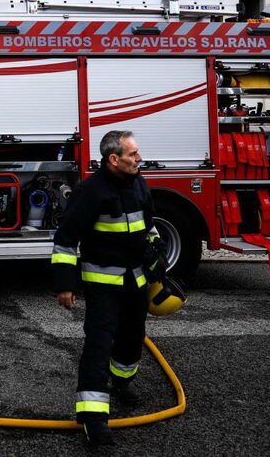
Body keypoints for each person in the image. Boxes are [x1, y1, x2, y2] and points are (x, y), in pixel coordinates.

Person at [52, 130, 168, 447]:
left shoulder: (138, 183)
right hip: (103, 285)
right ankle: (93, 418)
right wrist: (66, 285)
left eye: (138, 152)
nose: (139, 158)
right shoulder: (90, 191)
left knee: (132, 339)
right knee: (98, 347)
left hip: (136, 283)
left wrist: (157, 253)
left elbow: (149, 224)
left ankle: (122, 383)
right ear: (114, 159)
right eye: (133, 154)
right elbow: (64, 240)